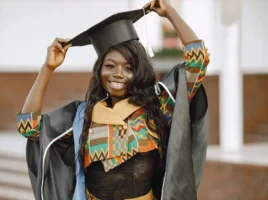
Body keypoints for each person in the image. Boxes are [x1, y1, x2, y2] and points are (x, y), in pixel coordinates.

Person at [16, 0, 210, 199]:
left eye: (128, 68)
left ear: (139, 72)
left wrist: (170, 13)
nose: (118, 74)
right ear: (99, 70)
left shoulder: (157, 105)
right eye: (110, 66)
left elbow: (198, 61)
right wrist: (48, 68)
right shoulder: (83, 116)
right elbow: (28, 127)